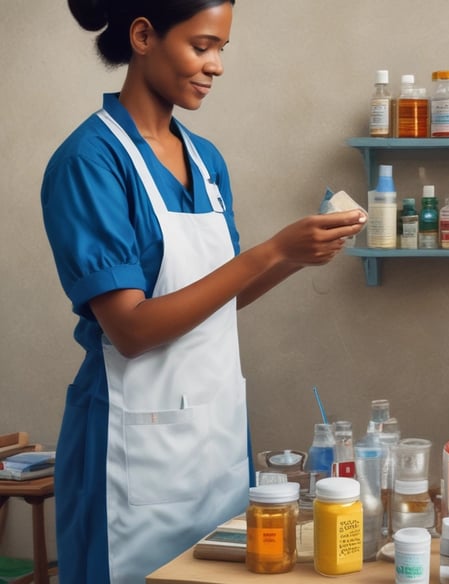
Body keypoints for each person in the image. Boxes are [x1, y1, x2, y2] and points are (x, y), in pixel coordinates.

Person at [41, 1, 366, 582]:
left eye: (221, 49)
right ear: (144, 36)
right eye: (201, 46)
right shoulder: (90, 162)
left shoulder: (205, 160)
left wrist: (295, 257)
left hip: (216, 443)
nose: (216, 65)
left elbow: (215, 300)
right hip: (128, 451)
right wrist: (271, 251)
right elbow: (132, 328)